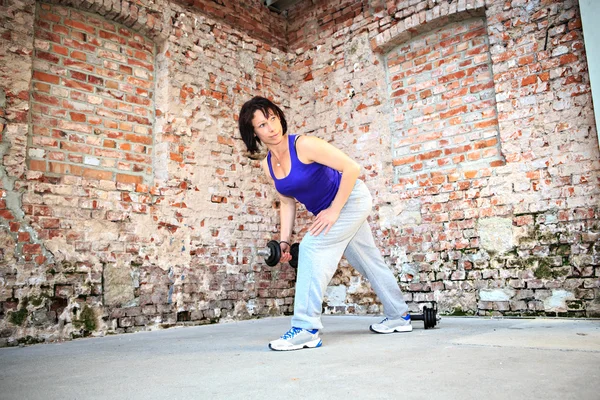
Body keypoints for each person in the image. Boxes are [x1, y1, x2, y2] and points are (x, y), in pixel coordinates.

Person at [238, 96, 411, 351]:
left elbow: (352, 168)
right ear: (253, 133)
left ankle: (306, 329)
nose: (272, 128)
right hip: (333, 210)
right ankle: (400, 316)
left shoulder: (304, 145)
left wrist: (333, 210)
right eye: (262, 124)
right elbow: (287, 202)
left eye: (273, 118)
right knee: (366, 260)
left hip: (349, 200)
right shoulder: (268, 165)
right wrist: (284, 241)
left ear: (280, 117)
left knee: (311, 249)